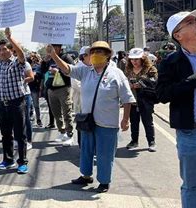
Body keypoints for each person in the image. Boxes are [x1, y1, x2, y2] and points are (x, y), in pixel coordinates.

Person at [47, 41, 135, 193]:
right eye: (93, 52)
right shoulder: (85, 71)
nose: (95, 55)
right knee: (86, 150)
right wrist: (54, 55)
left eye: (99, 52)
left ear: (108, 56)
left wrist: (125, 119)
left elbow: (127, 99)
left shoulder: (116, 74)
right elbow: (67, 69)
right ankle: (86, 175)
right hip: (87, 121)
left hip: (107, 124)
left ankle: (104, 181)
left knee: (104, 154)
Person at [156, 9, 196, 208]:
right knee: (192, 185)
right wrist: (195, 79)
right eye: (191, 22)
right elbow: (162, 95)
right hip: (190, 133)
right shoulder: (171, 63)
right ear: (179, 35)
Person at [0, 28, 29, 174]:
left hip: (17, 103)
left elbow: (22, 54)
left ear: (11, 50)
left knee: (19, 135)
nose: (2, 51)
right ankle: (8, 159)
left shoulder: (16, 63)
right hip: (2, 105)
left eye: (5, 49)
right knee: (5, 135)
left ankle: (22, 162)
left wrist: (10, 38)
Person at [124, 48, 158, 152]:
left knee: (147, 121)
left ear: (142, 59)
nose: (134, 61)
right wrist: (127, 85)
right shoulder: (128, 70)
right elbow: (123, 80)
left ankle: (151, 142)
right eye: (132, 59)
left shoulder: (150, 68)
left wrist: (142, 84)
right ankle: (134, 141)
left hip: (146, 99)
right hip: (133, 100)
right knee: (134, 122)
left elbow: (155, 81)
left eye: (137, 59)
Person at [41, 44, 75, 146]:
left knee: (66, 112)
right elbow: (42, 70)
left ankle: (70, 135)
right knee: (56, 112)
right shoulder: (50, 58)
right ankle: (62, 131)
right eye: (51, 47)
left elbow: (72, 70)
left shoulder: (66, 57)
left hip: (63, 88)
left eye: (55, 47)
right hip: (51, 89)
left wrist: (58, 71)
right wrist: (44, 61)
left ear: (60, 48)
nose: (52, 49)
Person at [72, 46, 91, 146]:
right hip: (81, 100)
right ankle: (82, 144)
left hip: (91, 102)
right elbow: (76, 85)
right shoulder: (77, 68)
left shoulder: (93, 67)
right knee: (82, 123)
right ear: (83, 56)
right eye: (89, 54)